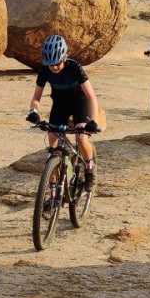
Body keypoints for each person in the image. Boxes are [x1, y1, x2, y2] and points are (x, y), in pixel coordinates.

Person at [25, 34, 99, 193]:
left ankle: (90, 168)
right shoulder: (45, 70)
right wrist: (33, 111)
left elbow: (91, 96)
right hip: (60, 105)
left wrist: (93, 121)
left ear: (65, 57)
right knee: (52, 145)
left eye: (57, 63)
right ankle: (52, 192)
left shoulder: (74, 67)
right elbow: (36, 97)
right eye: (50, 64)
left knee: (81, 138)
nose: (54, 67)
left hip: (79, 103)